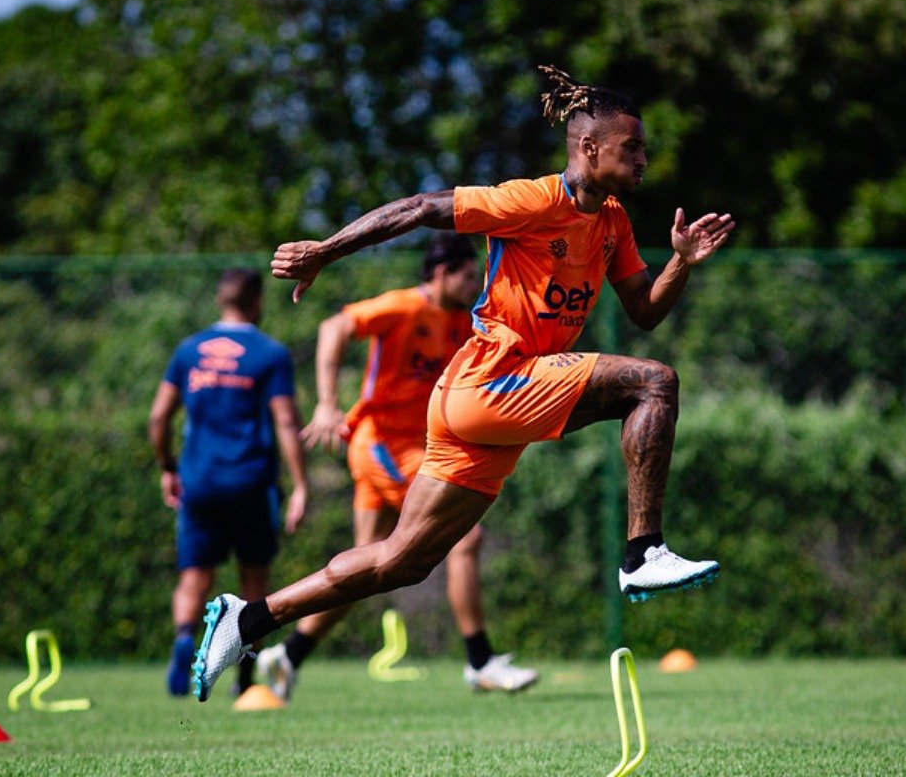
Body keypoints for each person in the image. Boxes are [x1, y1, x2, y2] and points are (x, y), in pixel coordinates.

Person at [190, 64, 735, 701]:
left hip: (478, 407)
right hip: (489, 382)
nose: (644, 158)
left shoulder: (611, 223)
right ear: (590, 148)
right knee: (654, 384)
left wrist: (681, 262)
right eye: (632, 147)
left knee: (402, 560)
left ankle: (248, 618)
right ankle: (643, 552)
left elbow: (644, 310)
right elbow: (423, 208)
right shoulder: (533, 200)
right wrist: (325, 251)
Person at [255, 234, 539, 698]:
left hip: (418, 449)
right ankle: (480, 661)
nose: (475, 285)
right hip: (381, 444)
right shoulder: (404, 307)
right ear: (443, 273)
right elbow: (334, 327)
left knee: (369, 565)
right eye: (469, 276)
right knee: (466, 534)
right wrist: (327, 404)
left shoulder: (464, 323)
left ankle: (289, 656)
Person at [149, 268, 309, 697]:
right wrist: (300, 484)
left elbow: (159, 417)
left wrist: (167, 466)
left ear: (222, 300)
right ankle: (244, 675)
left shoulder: (189, 350)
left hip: (198, 481)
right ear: (257, 301)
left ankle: (185, 640)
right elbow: (287, 420)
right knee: (254, 580)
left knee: (194, 576)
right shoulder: (268, 353)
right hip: (251, 482)